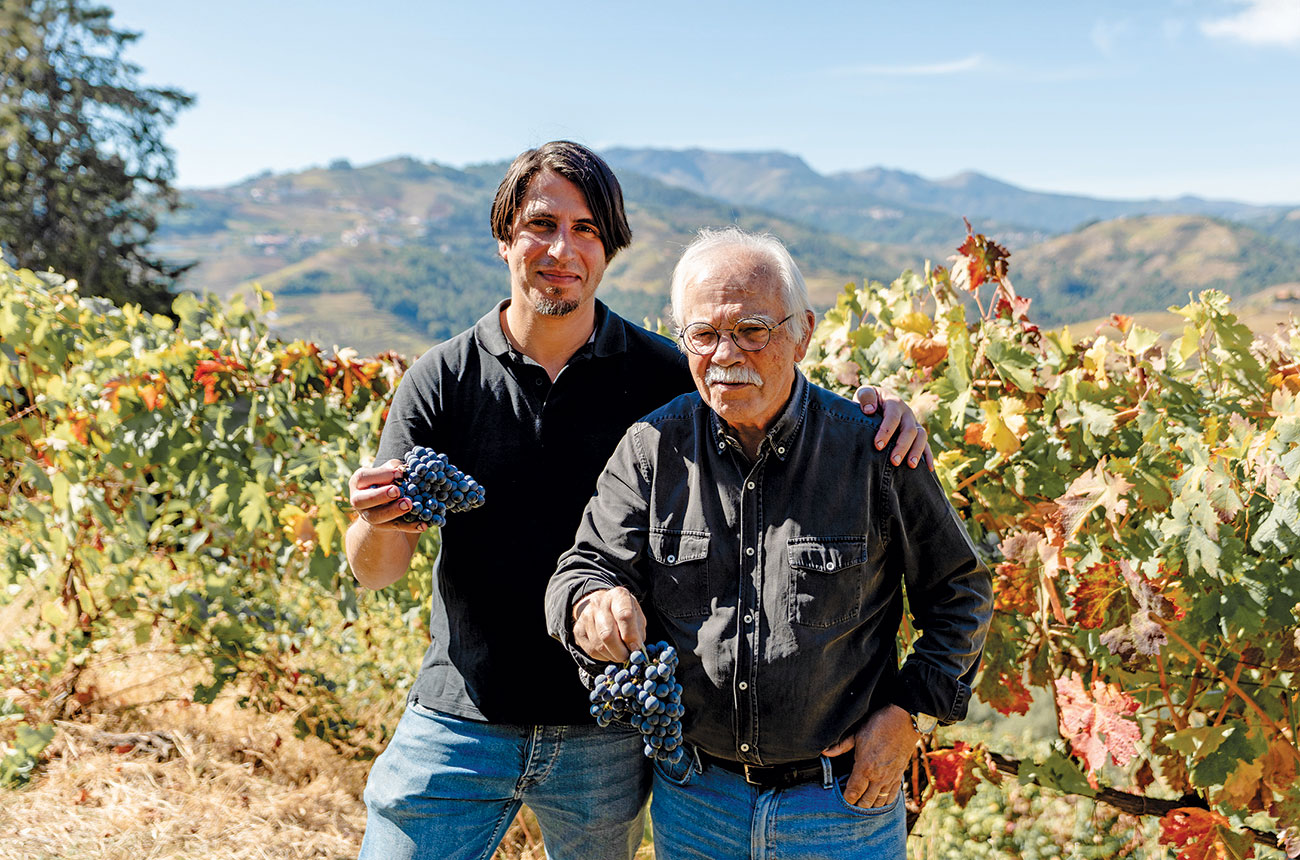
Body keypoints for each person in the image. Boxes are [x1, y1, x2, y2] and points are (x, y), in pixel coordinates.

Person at [345, 142, 933, 860]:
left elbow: (775, 408)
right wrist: (377, 519)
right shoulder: (441, 380)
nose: (563, 247)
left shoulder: (668, 377)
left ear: (610, 249)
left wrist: (879, 413)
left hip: (610, 733)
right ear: (505, 239)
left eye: (587, 228)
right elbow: (375, 570)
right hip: (461, 715)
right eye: (541, 224)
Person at [544, 226, 993, 860]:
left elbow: (959, 591)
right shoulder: (650, 449)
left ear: (802, 332)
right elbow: (581, 569)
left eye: (753, 330)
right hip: (695, 800)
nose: (726, 354)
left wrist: (910, 713)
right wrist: (591, 604)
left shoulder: (874, 452)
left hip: (841, 807)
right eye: (704, 335)